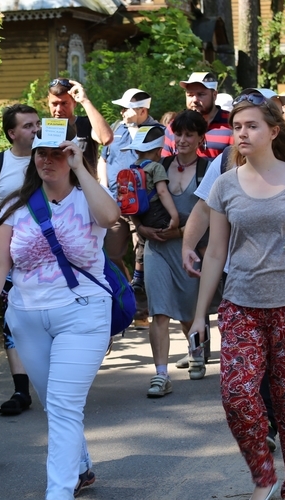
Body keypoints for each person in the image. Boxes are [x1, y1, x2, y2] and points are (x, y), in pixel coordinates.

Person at [191, 94, 285, 500]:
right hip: (240, 307)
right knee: (237, 394)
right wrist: (201, 314)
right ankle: (262, 474)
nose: (242, 133)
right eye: (237, 126)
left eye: (252, 126)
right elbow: (215, 252)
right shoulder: (224, 184)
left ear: (273, 131)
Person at [0, 121, 119, 500]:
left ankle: (59, 498)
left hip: (83, 312)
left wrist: (82, 168)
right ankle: (83, 467)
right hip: (27, 316)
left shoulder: (86, 198)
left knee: (63, 404)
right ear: (33, 157)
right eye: (42, 153)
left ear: (71, 156)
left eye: (57, 153)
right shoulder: (18, 207)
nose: (48, 160)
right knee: (56, 402)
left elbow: (111, 217)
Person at [0, 103, 41, 416]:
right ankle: (20, 389)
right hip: (7, 257)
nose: (35, 130)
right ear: (11, 133)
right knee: (12, 322)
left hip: (46, 258)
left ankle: (51, 377)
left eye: (37, 124)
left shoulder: (49, 158)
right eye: (28, 126)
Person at [144, 110, 210, 395]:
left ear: (200, 138)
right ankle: (161, 374)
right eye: (178, 134)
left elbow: (213, 216)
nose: (182, 140)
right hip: (157, 246)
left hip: (191, 250)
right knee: (159, 311)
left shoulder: (209, 170)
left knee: (187, 311)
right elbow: (137, 202)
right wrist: (142, 229)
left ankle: (196, 354)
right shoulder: (159, 164)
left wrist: (182, 233)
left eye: (189, 134)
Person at [99, 89, 160, 327]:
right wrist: (103, 187)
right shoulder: (116, 128)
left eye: (127, 108)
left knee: (142, 259)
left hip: (143, 207)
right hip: (114, 203)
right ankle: (127, 297)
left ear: (143, 110)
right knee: (111, 255)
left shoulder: (157, 133)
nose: (122, 112)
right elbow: (103, 159)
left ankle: (142, 311)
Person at [161, 72, 233, 158]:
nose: (194, 100)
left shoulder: (232, 123)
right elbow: (165, 162)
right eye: (190, 95)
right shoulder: (174, 125)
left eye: (201, 94)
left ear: (214, 95)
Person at [48, 78, 113, 169]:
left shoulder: (86, 124)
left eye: (64, 103)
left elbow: (106, 138)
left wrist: (85, 101)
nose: (59, 109)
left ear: (74, 102)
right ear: (48, 101)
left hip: (84, 182)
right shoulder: (45, 130)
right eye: (54, 104)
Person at [126, 126, 179, 230]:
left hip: (137, 213)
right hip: (154, 212)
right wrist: (174, 216)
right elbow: (162, 192)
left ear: (136, 151)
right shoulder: (156, 167)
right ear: (159, 151)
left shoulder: (132, 168)